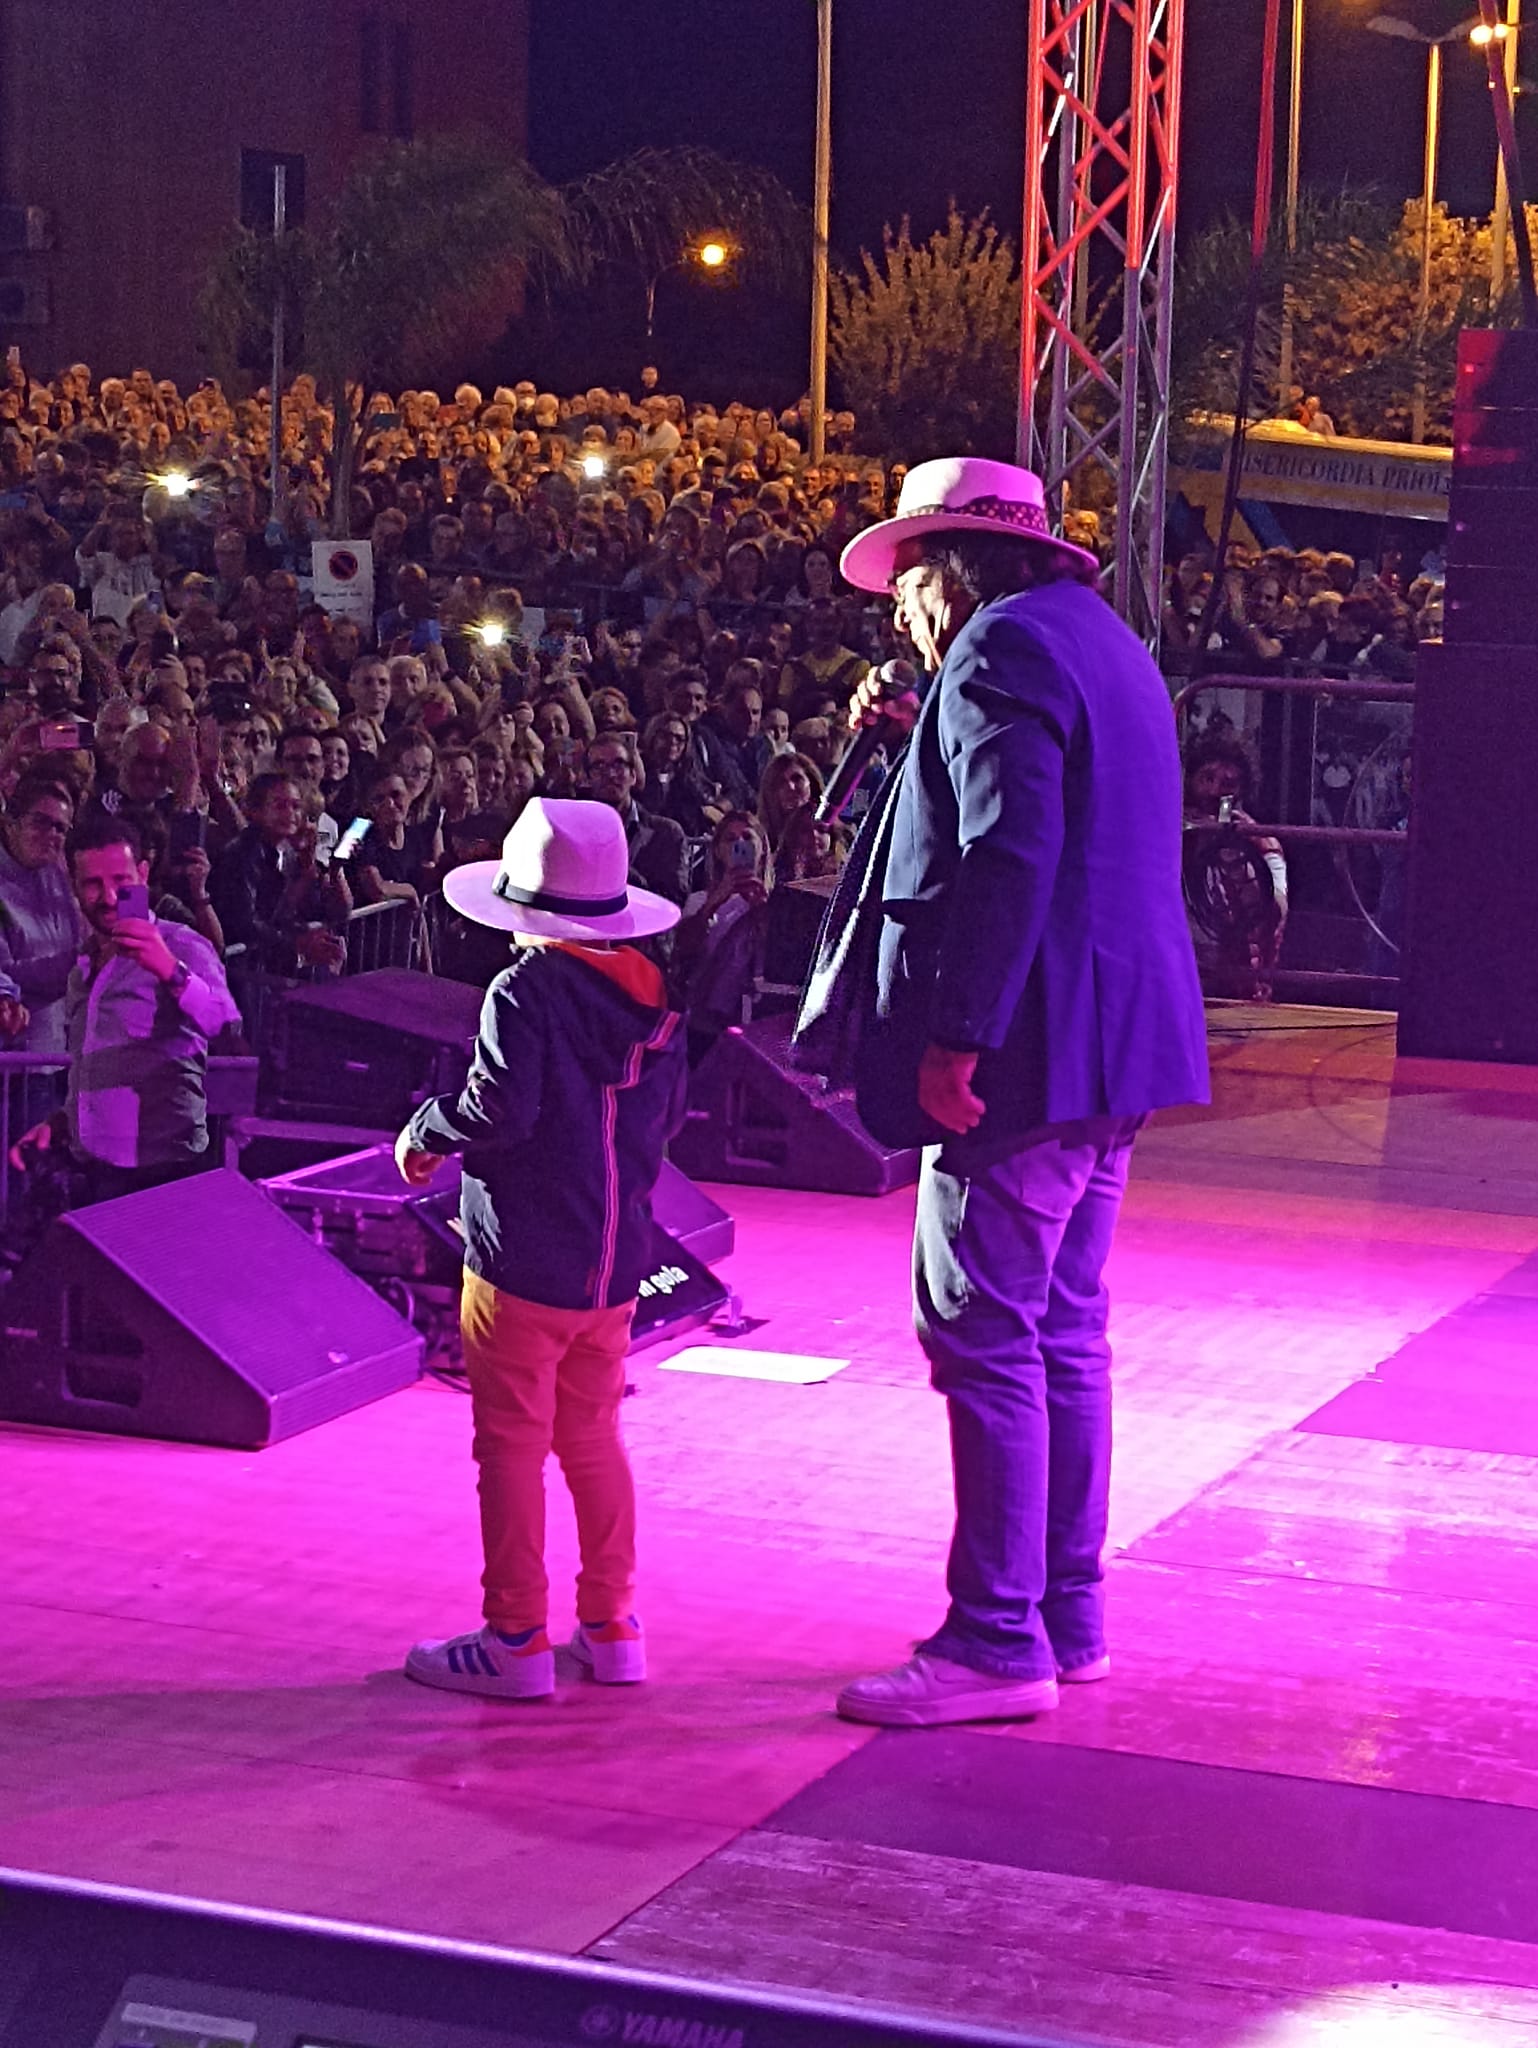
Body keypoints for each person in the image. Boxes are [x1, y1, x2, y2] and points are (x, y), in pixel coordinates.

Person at [804, 456, 1209, 1728]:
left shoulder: (995, 656)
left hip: (1025, 1052)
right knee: (1060, 1332)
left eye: (906, 589)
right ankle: (1063, 1614)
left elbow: (1008, 849)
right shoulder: (1100, 641)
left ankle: (992, 1639)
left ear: (948, 568)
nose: (901, 617)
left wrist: (954, 1036)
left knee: (981, 1329)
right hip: (1114, 1047)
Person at [394, 798, 686, 1701]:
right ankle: (612, 1626)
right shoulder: (659, 997)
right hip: (617, 1256)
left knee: (511, 1445)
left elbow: (501, 1110)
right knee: (594, 1439)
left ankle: (515, 1633)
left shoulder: (524, 990)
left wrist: (426, 1130)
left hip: (522, 1253)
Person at [10, 812, 240, 1204]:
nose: (110, 897)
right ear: (73, 885)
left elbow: (226, 1025)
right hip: (95, 1171)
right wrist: (64, 1124)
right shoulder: (82, 965)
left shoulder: (181, 945)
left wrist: (169, 970)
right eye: (94, 884)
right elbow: (97, 1061)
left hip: (164, 1169)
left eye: (121, 881)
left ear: (144, 873)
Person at [0, 770, 84, 1052]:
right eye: (41, 822)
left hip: (59, 1050)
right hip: (13, 1059)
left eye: (60, 828)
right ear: (10, 823)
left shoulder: (59, 876)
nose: (52, 835)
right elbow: (7, 974)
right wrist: (86, 959)